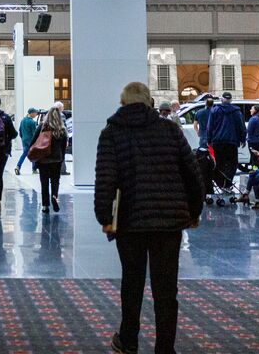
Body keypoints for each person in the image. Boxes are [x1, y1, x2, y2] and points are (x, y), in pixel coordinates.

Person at [95, 82, 203, 354]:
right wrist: (194, 211)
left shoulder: (111, 133)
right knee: (166, 289)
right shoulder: (170, 130)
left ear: (123, 103)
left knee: (132, 283)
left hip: (130, 221)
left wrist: (105, 218)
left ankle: (128, 340)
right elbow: (192, 173)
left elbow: (105, 179)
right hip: (168, 223)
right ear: (149, 103)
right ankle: (165, 348)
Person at [32, 103, 69, 213]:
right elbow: (63, 146)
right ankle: (54, 196)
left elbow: (33, 141)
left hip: (43, 159)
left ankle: (45, 205)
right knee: (55, 180)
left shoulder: (42, 126)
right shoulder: (61, 129)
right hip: (56, 159)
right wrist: (61, 158)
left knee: (44, 182)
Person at [206, 92, 246, 191]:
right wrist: (242, 138)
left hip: (218, 141)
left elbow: (209, 127)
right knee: (232, 163)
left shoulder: (215, 110)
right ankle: (227, 184)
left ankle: (221, 184)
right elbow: (241, 127)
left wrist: (209, 139)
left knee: (219, 164)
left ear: (222, 99)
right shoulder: (237, 112)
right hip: (232, 142)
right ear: (231, 100)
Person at [14, 107, 39, 176]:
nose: (36, 114)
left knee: (26, 153)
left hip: (24, 140)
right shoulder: (32, 122)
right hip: (31, 141)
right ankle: (32, 169)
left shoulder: (23, 120)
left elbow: (20, 131)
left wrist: (23, 138)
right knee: (32, 154)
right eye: (35, 113)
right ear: (31, 113)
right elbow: (34, 133)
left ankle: (19, 167)